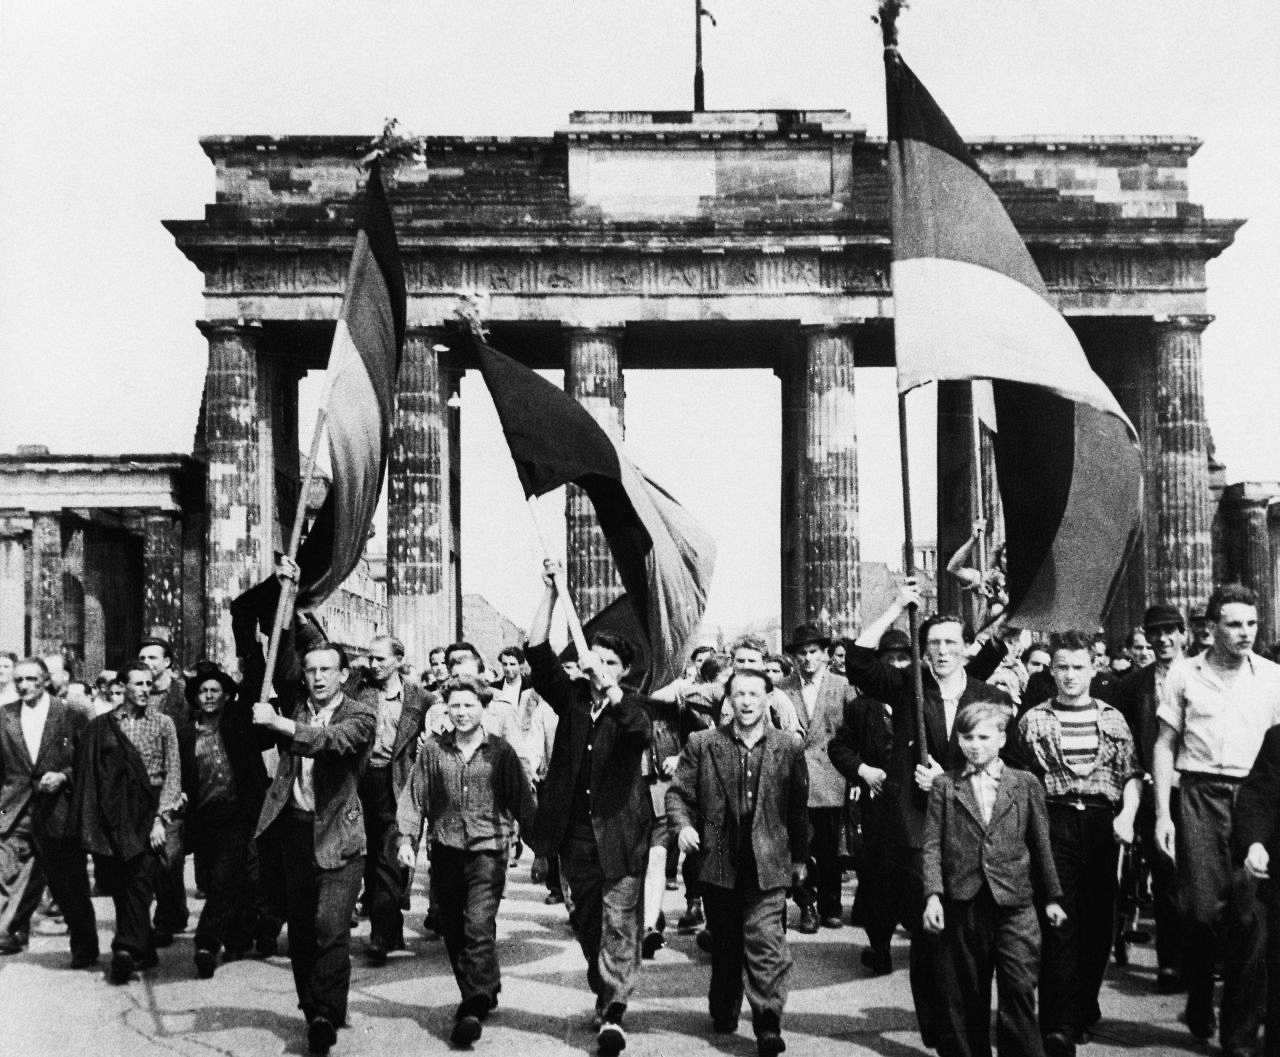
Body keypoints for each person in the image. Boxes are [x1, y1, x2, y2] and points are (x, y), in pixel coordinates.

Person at [845, 580, 1012, 1050]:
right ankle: (942, 1027)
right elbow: (858, 659)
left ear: (965, 649)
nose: (941, 651)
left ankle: (967, 1026)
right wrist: (897, 606)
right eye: (933, 643)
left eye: (950, 644)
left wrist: (949, 777)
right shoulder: (907, 686)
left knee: (969, 937)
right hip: (917, 826)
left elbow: (1003, 761)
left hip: (972, 823)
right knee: (930, 930)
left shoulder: (986, 696)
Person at [525, 559, 653, 1057]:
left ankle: (615, 1011)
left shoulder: (632, 709)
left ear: (622, 671)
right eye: (594, 655)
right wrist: (553, 595)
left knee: (620, 923)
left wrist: (616, 693)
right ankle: (605, 985)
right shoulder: (572, 699)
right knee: (587, 922)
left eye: (609, 661)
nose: (598, 665)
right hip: (574, 837)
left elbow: (639, 733)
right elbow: (537, 652)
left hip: (620, 837)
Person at [1153, 583, 1280, 1051]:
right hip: (1199, 795)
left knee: (1249, 919)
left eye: (1251, 623)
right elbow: (1165, 744)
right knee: (1201, 912)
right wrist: (1162, 815)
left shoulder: (1272, 677)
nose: (1245, 632)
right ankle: (1200, 992)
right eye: (1234, 624)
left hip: (1256, 796)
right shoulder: (1185, 674)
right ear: (1211, 628)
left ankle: (1237, 1034)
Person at [667, 668, 809, 1057]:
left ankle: (767, 1021)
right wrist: (682, 827)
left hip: (769, 862)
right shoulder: (703, 743)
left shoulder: (788, 747)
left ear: (768, 699)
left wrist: (799, 858)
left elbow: (798, 809)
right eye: (739, 695)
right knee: (727, 944)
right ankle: (725, 1001)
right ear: (728, 700)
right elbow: (679, 794)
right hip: (719, 862)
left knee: (765, 943)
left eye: (754, 694)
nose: (746, 702)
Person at [1016, 630, 1141, 1057]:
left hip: (1104, 823)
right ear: (1052, 672)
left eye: (1078, 667)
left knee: (1097, 924)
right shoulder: (1033, 720)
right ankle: (1057, 1024)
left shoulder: (1112, 718)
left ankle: (1085, 1004)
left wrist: (1127, 813)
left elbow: (1131, 775)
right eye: (1062, 668)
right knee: (1058, 921)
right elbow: (1018, 781)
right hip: (1055, 820)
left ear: (1094, 669)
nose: (1070, 676)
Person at [396, 675, 536, 1047]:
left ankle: (473, 1002)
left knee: (478, 922)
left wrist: (544, 844)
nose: (460, 713)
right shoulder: (433, 751)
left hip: (489, 848)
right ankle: (484, 985)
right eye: (454, 706)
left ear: (483, 708)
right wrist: (407, 838)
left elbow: (522, 799)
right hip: (446, 847)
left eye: (468, 705)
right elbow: (415, 796)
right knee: (455, 927)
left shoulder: (500, 752)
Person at [252, 643, 377, 1056]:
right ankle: (314, 1008)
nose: (318, 677)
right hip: (294, 832)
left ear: (344, 675)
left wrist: (280, 725)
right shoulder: (293, 707)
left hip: (341, 835)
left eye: (327, 670)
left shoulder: (359, 715)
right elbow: (277, 643)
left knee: (330, 924)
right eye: (311, 670)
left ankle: (326, 1012)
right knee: (302, 929)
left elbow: (330, 743)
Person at [922, 700, 1066, 1057]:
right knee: (968, 991)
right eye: (967, 737)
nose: (975, 744)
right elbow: (931, 845)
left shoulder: (1025, 783)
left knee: (1019, 986)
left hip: (1015, 902)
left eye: (984, 737)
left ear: (1002, 739)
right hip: (965, 901)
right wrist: (933, 896)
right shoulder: (945, 785)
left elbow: (1040, 841)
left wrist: (1052, 896)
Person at [73, 660, 182, 984]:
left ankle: (125, 948)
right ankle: (143, 948)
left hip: (151, 809)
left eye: (149, 684)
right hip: (116, 812)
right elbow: (92, 772)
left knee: (140, 878)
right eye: (138, 684)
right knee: (121, 881)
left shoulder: (163, 724)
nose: (145, 690)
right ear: (123, 688)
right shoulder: (106, 725)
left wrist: (161, 819)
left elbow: (173, 773)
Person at [0, 658, 97, 965]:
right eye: (19, 680)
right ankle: (11, 931)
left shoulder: (69, 713)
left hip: (58, 809)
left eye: (31, 679)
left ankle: (84, 945)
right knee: (7, 872)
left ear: (45, 680)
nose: (25, 685)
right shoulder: (5, 716)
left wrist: (64, 776)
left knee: (67, 882)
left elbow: (85, 760)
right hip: (16, 808)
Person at [1112, 603, 1187, 994]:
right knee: (1167, 876)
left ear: (1183, 633)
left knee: (1203, 881)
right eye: (1155, 632)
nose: (1162, 639)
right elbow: (1125, 739)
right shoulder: (1131, 686)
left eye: (1170, 630)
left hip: (1197, 790)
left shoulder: (1202, 676)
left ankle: (1204, 959)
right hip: (1154, 792)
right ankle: (1171, 964)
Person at [180, 662, 269, 977]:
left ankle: (206, 943)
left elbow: (254, 692)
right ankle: (238, 936)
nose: (207, 696)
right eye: (202, 691)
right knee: (217, 879)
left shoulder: (240, 723)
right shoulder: (187, 733)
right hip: (205, 814)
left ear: (226, 695)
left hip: (240, 811)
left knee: (224, 877)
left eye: (214, 691)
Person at [829, 628, 906, 975]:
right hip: (879, 804)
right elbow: (839, 748)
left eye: (903, 660)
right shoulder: (862, 707)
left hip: (916, 801)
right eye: (888, 661)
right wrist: (863, 770)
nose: (896, 669)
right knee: (878, 876)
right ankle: (880, 945)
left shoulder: (922, 701)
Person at [778, 623, 858, 932]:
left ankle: (831, 906)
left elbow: (852, 734)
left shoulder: (843, 686)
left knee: (829, 848)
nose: (808, 660)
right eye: (802, 654)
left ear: (825, 655)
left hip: (832, 774)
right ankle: (807, 904)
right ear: (794, 657)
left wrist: (854, 775)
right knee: (800, 846)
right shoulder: (782, 688)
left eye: (813, 653)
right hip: (795, 777)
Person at [353, 634, 427, 966]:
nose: (373, 665)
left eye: (380, 659)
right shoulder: (358, 690)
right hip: (360, 781)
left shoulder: (420, 699)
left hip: (398, 784)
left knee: (390, 857)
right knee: (367, 859)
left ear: (398, 659)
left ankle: (381, 936)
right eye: (370, 659)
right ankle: (390, 928)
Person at [1229, 721, 1280, 1057]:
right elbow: (1259, 796)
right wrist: (1256, 842)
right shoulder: (1278, 739)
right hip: (1275, 871)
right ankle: (1248, 1037)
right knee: (1262, 950)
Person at [138, 636, 190, 947]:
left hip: (179, 786)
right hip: (145, 789)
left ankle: (168, 917)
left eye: (153, 657)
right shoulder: (137, 693)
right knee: (156, 855)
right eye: (142, 656)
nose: (146, 662)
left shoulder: (184, 696)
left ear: (167, 662)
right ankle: (175, 911)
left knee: (169, 854)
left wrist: (184, 786)